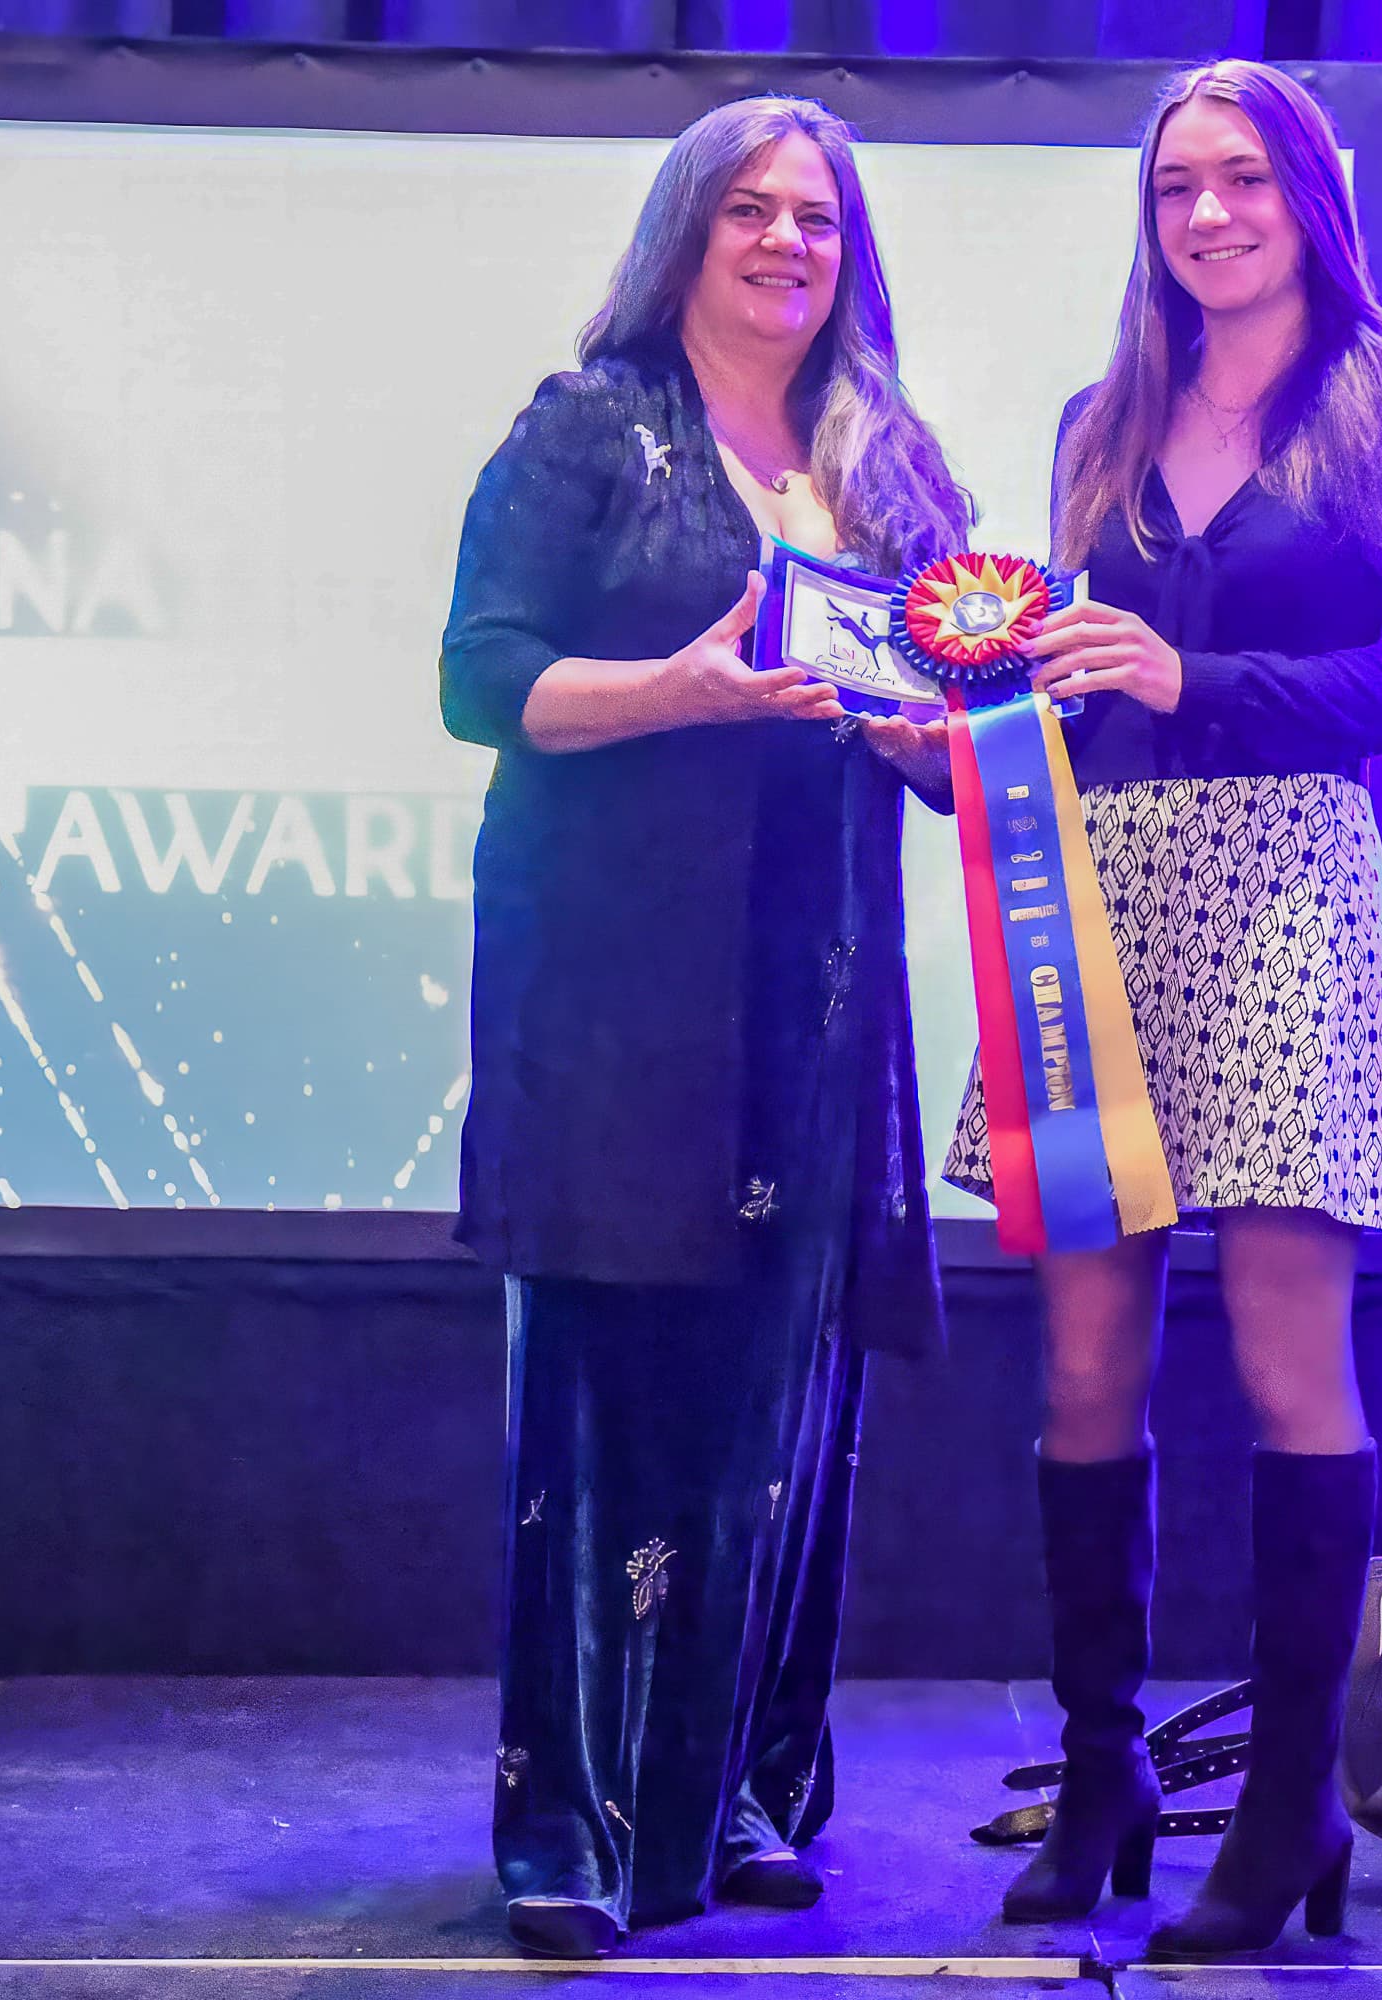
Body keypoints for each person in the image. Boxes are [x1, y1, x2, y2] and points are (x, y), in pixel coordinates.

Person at [947, 57, 1382, 1958]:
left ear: (1310, 197)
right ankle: (1103, 1772)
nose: (1208, 213)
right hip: (1092, 894)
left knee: (1288, 1360)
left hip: (1285, 891)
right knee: (1082, 1367)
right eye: (1178, 183)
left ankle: (1290, 1806)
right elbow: (1055, 672)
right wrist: (955, 731)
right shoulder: (1098, 419)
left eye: (1244, 179)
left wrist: (1201, 683)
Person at [439, 94, 970, 1960]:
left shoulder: (893, 464)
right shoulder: (588, 426)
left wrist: (946, 744)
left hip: (810, 993)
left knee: (778, 1406)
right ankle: (571, 1826)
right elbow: (480, 682)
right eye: (748, 210)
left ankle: (737, 1785)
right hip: (617, 987)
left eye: (815, 217)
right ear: (685, 233)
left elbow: (946, 718)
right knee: (607, 1406)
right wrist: (675, 690)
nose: (784, 243)